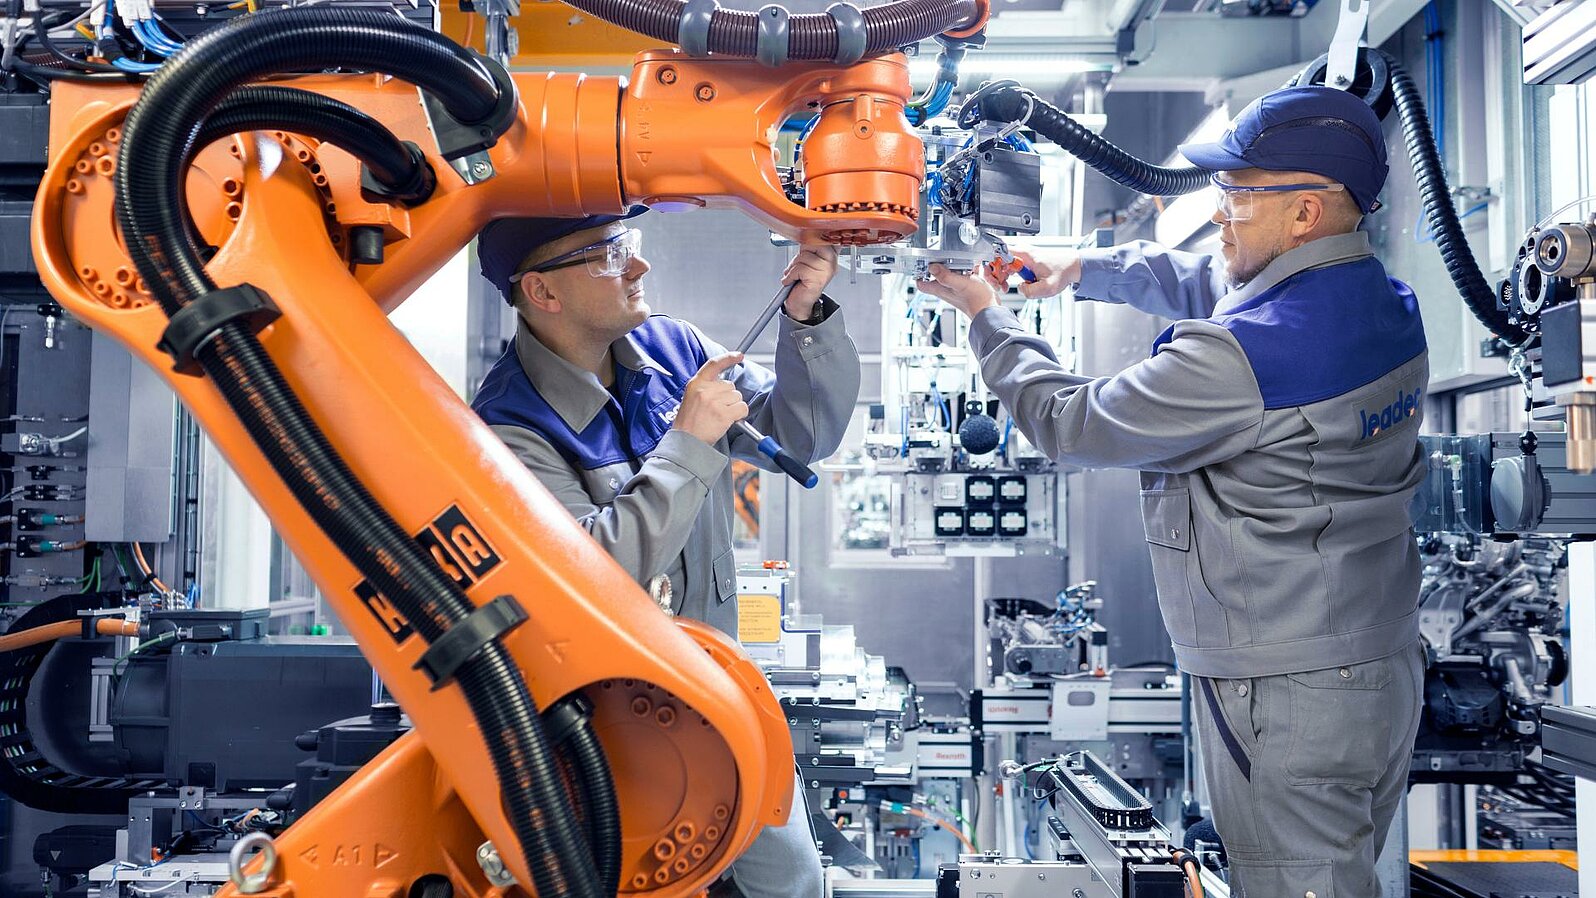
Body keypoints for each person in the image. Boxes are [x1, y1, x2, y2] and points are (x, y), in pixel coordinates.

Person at [916, 86, 1427, 898]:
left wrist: (986, 316)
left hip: (1286, 694)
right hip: (1375, 664)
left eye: (1236, 193)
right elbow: (1222, 286)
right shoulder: (1383, 303)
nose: (1219, 212)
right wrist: (1083, 271)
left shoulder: (1239, 362)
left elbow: (1070, 422)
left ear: (1303, 212)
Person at [472, 210, 860, 898]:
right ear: (542, 293)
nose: (639, 267)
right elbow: (594, 580)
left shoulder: (672, 348)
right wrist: (688, 442)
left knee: (792, 882)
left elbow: (800, 435)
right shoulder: (510, 425)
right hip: (616, 731)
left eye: (632, 246)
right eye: (609, 255)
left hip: (724, 694)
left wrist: (806, 318)